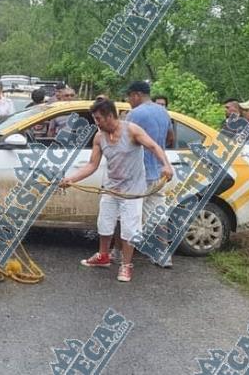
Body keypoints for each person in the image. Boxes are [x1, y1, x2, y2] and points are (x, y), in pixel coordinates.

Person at [61, 100, 174, 282]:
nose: (96, 122)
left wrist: (166, 166)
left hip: (132, 190)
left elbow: (153, 146)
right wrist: (71, 179)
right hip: (111, 188)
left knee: (130, 229)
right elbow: (92, 165)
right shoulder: (99, 137)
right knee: (104, 224)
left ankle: (126, 265)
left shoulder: (132, 131)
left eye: (98, 119)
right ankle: (103, 256)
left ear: (109, 116)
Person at [125, 81, 175, 268]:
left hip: (139, 174)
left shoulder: (135, 114)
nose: (129, 101)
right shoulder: (163, 112)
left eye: (129, 97)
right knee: (158, 216)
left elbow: (124, 140)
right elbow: (170, 138)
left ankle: (121, 255)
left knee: (129, 215)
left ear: (136, 95)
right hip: (158, 174)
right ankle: (163, 255)